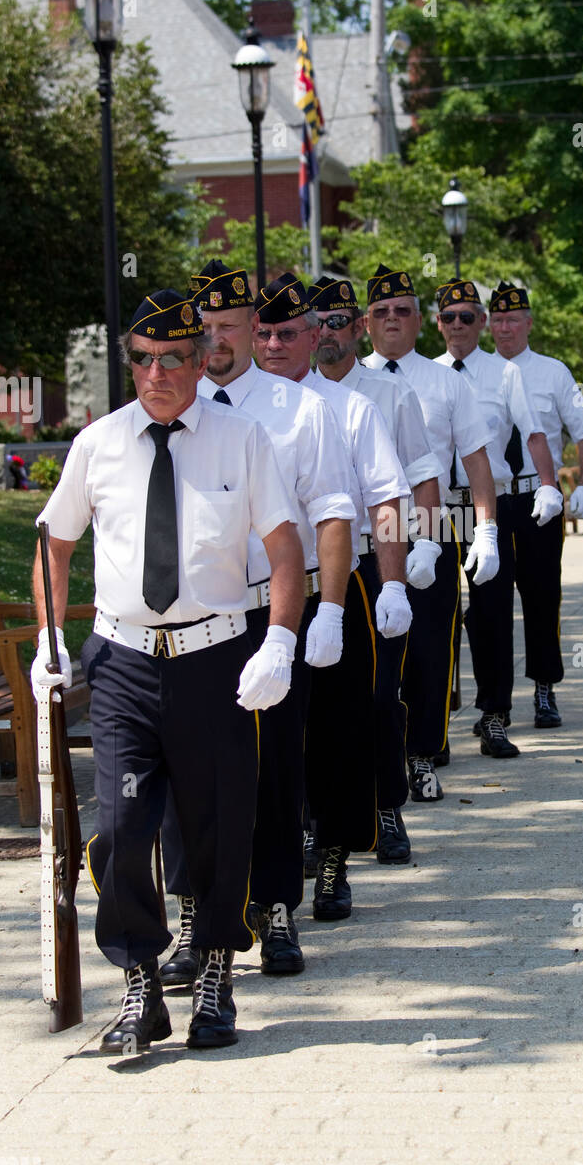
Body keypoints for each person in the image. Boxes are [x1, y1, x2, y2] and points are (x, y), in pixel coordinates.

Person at [30, 289, 306, 1051]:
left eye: (172, 360)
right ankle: (140, 983)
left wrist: (278, 641)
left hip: (215, 660)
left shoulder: (241, 439)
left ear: (200, 360)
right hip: (121, 664)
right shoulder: (99, 443)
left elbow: (285, 552)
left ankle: (215, 971)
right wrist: (49, 640)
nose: (156, 374)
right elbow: (54, 542)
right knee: (120, 827)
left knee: (218, 825)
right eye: (143, 361)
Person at [157, 259, 355, 985]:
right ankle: (193, 916)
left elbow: (333, 512)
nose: (216, 341)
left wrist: (328, 610)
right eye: (203, 328)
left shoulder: (300, 409)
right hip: (190, 614)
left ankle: (274, 909)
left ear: (252, 328)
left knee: (272, 770)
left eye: (229, 327)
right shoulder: (169, 407)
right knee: (188, 773)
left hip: (270, 611)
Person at [254, 272, 412, 919]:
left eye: (287, 332)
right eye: (261, 333)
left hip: (336, 588)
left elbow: (387, 497)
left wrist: (396, 580)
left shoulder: (351, 408)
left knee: (344, 727)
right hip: (252, 597)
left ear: (314, 335)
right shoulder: (233, 407)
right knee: (270, 737)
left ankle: (334, 859)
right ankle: (281, 857)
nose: (273, 345)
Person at [311, 274, 444, 862]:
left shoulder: (389, 395)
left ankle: (387, 806)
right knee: (312, 702)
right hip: (306, 570)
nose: (328, 336)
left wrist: (422, 548)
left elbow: (417, 481)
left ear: (358, 328)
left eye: (339, 323)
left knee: (379, 695)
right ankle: (314, 821)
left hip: (369, 563)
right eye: (318, 324)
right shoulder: (294, 394)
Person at [362, 264, 498, 800]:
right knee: (368, 653)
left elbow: (477, 462)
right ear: (365, 322)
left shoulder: (446, 382)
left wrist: (484, 530)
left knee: (428, 648)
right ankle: (375, 758)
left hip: (426, 527)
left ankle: (422, 754)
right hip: (359, 535)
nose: (392, 319)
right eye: (381, 312)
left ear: (421, 320)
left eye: (402, 310)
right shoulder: (350, 378)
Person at [434, 278, 562, 756]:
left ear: (482, 323)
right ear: (439, 322)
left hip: (494, 504)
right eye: (449, 317)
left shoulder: (504, 373)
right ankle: (436, 720)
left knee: (491, 612)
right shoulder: (428, 373)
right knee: (438, 613)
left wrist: (548, 484)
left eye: (468, 317)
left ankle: (494, 714)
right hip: (440, 508)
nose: (458, 325)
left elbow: (533, 433)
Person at [489, 280, 583, 729]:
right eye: (496, 320)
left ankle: (544, 689)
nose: (504, 328)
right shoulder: (472, 371)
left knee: (542, 597)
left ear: (529, 323)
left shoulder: (554, 373)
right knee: (489, 604)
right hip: (491, 501)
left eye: (513, 320)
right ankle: (494, 704)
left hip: (541, 499)